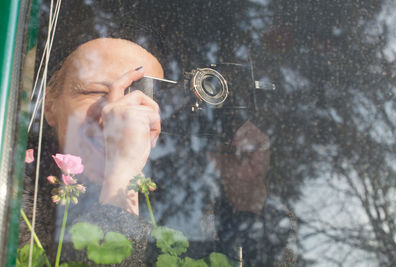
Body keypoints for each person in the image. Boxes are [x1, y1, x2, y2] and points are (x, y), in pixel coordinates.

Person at [20, 37, 271, 266]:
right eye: (96, 92)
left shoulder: (187, 202)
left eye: (140, 98)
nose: (117, 112)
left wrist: (247, 203)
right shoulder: (12, 188)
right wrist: (122, 175)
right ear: (49, 104)